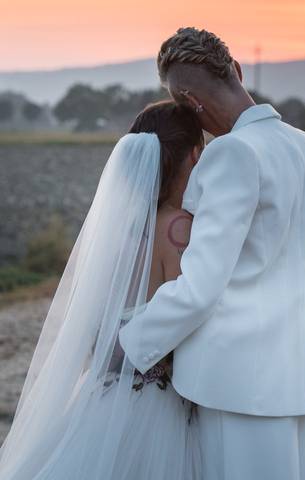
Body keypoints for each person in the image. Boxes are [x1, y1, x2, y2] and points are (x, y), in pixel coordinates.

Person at [119, 26, 305, 480]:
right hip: (295, 372)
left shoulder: (231, 154)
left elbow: (201, 287)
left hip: (236, 379)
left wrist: (131, 343)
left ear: (188, 101)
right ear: (235, 68)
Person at [0, 101, 205, 479]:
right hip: (157, 407)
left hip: (103, 397)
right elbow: (188, 319)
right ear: (194, 156)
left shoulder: (120, 227)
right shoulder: (179, 227)